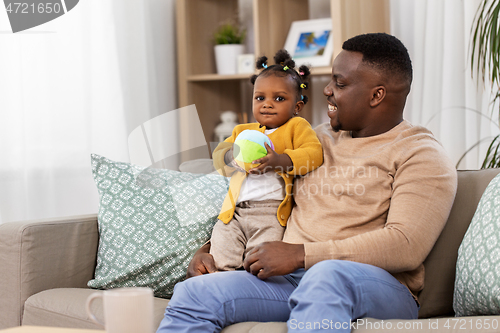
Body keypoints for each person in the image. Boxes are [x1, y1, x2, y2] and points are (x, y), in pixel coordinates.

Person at [156, 33, 458, 333]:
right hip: (290, 279)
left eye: (339, 83)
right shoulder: (315, 139)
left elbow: (405, 245)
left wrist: (301, 254)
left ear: (376, 95)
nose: (326, 90)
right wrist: (209, 251)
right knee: (195, 293)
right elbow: (265, 202)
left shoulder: (421, 153)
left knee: (325, 276)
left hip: (379, 288)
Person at [209, 49, 323, 271]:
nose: (267, 104)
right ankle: (222, 283)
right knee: (221, 253)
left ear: (297, 107)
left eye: (279, 99)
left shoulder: (296, 127)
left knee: (258, 262)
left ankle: (248, 289)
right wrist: (231, 156)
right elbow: (218, 158)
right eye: (260, 98)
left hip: (270, 214)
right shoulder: (242, 130)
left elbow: (314, 154)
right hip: (235, 212)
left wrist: (281, 160)